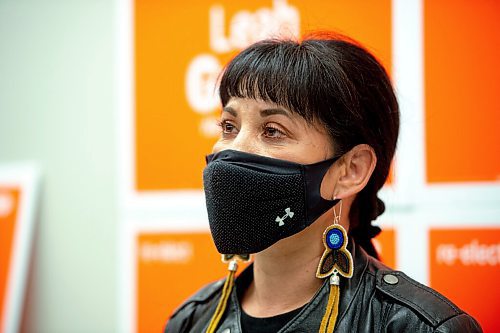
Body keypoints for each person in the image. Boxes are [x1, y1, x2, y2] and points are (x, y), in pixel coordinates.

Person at [165, 32, 482, 333]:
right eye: (229, 126)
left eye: (273, 130)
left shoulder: (420, 326)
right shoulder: (191, 319)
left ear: (351, 170)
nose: (231, 150)